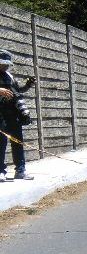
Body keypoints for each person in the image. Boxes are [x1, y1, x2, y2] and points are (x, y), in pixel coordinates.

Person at [0, 48, 35, 182]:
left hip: (13, 115)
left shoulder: (9, 76)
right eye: (3, 63)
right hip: (0, 116)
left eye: (7, 63)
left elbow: (17, 91)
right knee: (1, 144)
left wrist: (28, 85)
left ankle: (20, 171)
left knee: (18, 143)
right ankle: (1, 171)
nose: (6, 65)